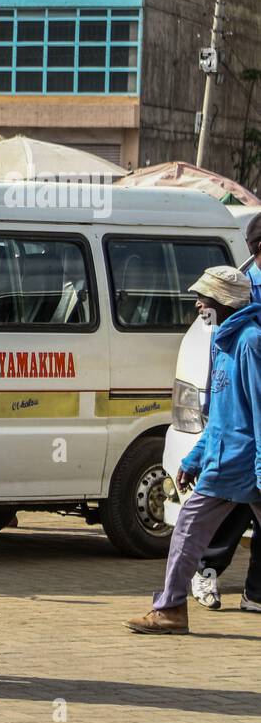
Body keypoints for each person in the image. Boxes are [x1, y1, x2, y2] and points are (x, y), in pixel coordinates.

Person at [126, 266, 261, 634]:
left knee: (186, 528)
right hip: (223, 459)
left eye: (204, 298)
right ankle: (170, 607)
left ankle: (170, 609)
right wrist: (194, 458)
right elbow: (219, 415)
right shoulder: (223, 341)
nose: (199, 304)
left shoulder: (249, 341)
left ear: (223, 302)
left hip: (238, 464)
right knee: (188, 528)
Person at [191, 214, 261, 614]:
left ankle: (256, 592)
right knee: (230, 500)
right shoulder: (241, 290)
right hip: (242, 413)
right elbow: (221, 345)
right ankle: (204, 571)